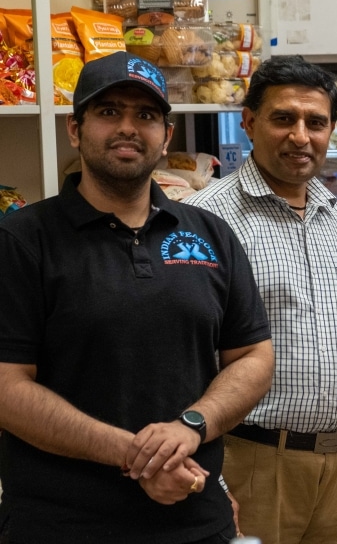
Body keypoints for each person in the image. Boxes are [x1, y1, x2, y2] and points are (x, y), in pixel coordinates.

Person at [0, 51, 275, 543]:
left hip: (195, 521)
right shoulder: (22, 240)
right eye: (109, 111)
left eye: (145, 115)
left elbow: (253, 355)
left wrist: (192, 425)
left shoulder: (210, 234)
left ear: (166, 136)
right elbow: (6, 386)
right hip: (62, 528)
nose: (128, 127)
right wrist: (137, 455)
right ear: (75, 129)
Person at [184, 55, 337, 544]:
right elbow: (179, 357)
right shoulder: (204, 220)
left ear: (331, 129)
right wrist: (214, 478)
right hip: (251, 464)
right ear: (249, 122)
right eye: (283, 118)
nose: (300, 136)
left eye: (316, 122)